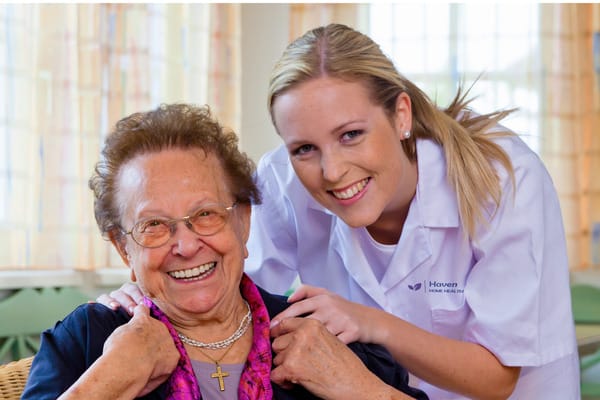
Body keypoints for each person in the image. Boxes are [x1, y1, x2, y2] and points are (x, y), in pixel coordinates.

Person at [98, 24, 580, 399]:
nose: (331, 171)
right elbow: (226, 286)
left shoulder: (501, 177)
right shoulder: (283, 184)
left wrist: (370, 322)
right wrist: (147, 288)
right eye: (305, 148)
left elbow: (496, 379)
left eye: (351, 134)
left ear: (402, 114)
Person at [21, 103, 428, 400]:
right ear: (123, 248)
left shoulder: (319, 335)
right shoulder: (88, 341)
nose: (186, 245)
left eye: (205, 214)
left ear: (243, 221)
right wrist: (110, 380)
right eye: (154, 226)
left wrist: (360, 390)